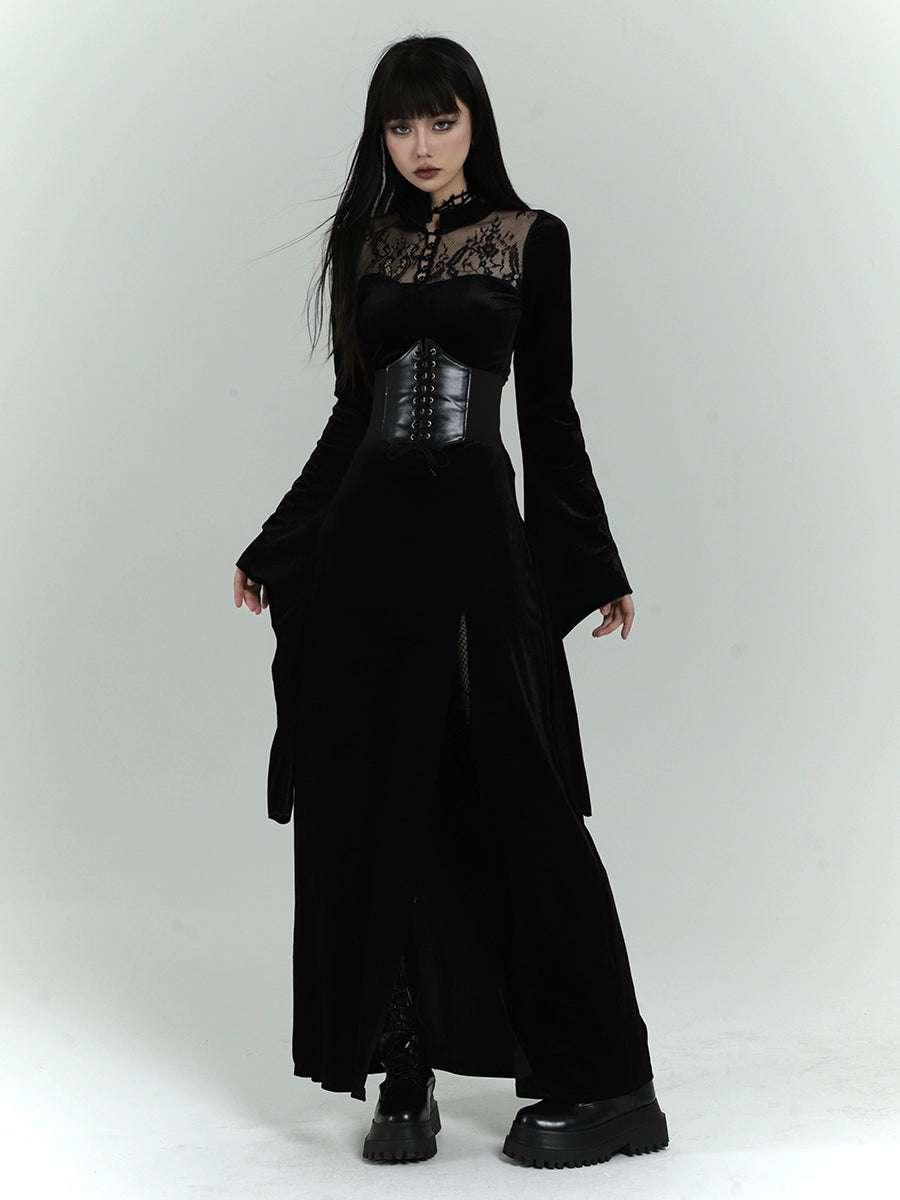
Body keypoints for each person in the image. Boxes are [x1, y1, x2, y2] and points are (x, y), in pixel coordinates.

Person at [233, 33, 669, 1170]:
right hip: (365, 552)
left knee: (521, 799)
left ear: (476, 119)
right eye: (400, 125)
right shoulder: (367, 244)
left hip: (476, 550)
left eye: (441, 119)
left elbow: (550, 415)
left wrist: (594, 559)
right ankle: (404, 1073)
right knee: (378, 801)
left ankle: (612, 1083)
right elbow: (353, 414)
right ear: (379, 136)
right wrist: (279, 540)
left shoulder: (532, 239)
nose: (421, 144)